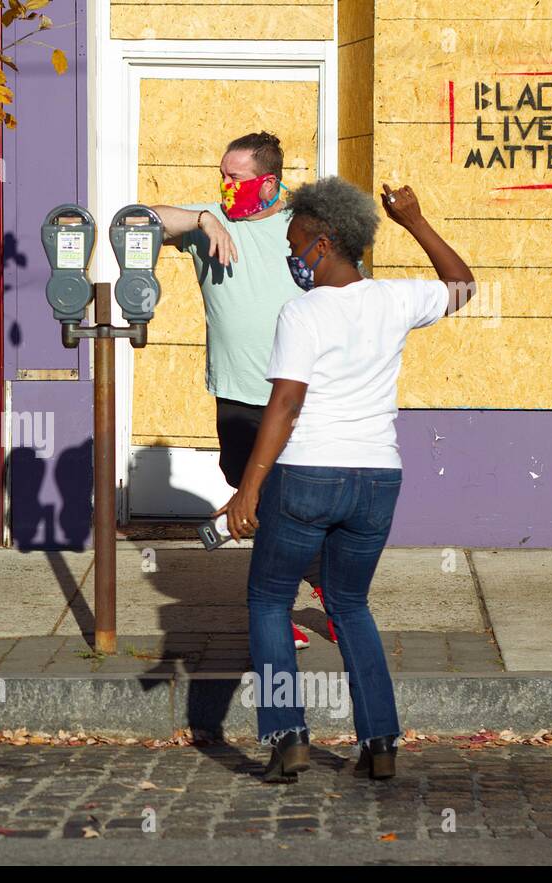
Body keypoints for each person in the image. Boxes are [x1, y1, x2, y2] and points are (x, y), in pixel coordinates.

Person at [216, 178, 475, 783]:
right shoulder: (394, 298)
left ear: (324, 242)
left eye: (295, 243)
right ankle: (380, 742)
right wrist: (414, 219)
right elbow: (462, 285)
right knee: (351, 604)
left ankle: (287, 737)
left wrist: (249, 488)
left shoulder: (302, 312)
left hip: (309, 473)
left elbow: (284, 405)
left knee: (270, 601)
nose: (291, 255)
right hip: (378, 478)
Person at [150, 131, 334, 649]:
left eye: (236, 178)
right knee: (256, 494)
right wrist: (205, 218)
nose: (225, 186)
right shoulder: (212, 218)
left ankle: (299, 604)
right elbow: (140, 219)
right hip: (234, 393)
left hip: (296, 394)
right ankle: (322, 586)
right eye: (222, 176)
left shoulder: (303, 224)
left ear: (269, 181)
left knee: (288, 500)